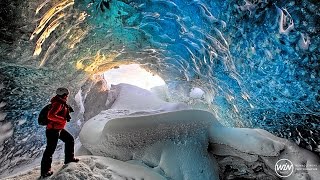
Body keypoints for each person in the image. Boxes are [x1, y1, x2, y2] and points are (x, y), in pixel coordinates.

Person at [40, 87, 79, 177]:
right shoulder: (58, 103)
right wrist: (62, 119)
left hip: (58, 129)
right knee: (50, 150)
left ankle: (69, 158)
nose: (67, 96)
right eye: (67, 95)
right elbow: (50, 116)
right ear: (64, 95)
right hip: (53, 130)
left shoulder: (60, 103)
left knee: (69, 140)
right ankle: (45, 171)